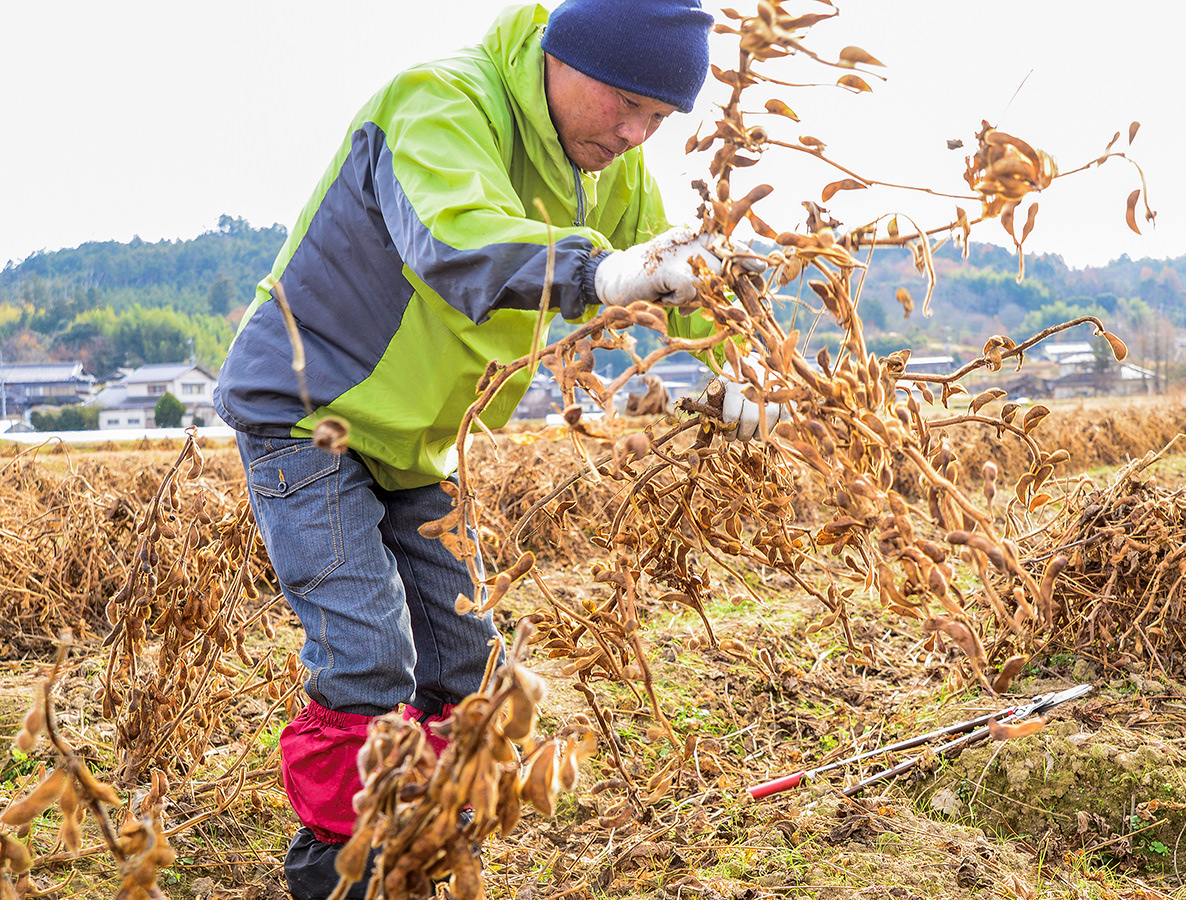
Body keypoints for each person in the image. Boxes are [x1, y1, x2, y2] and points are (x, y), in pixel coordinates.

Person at [212, 2, 781, 897]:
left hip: (417, 442)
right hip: (310, 414)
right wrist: (598, 272)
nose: (636, 134)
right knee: (367, 659)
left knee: (476, 673)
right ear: (563, 55)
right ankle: (344, 870)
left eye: (660, 120)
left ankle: (426, 844)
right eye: (625, 102)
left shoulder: (610, 173)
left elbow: (677, 279)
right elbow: (457, 240)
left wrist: (740, 363)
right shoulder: (437, 103)